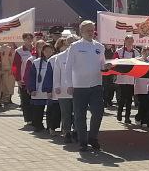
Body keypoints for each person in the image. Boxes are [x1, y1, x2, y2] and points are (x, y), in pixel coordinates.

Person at [64, 20, 106, 152]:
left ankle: (92, 138)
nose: (90, 32)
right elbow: (68, 67)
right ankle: (83, 142)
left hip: (96, 85)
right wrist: (69, 84)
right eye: (87, 29)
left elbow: (102, 65)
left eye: (92, 29)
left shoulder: (100, 47)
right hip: (79, 86)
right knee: (79, 115)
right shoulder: (75, 46)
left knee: (98, 112)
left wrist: (107, 67)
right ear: (81, 31)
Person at [49, 33, 75, 143]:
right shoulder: (60, 57)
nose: (71, 44)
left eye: (73, 42)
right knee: (66, 112)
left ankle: (77, 131)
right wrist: (57, 87)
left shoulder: (80, 56)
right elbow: (56, 74)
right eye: (69, 42)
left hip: (78, 89)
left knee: (78, 112)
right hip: (64, 90)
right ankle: (67, 132)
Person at [23, 42, 55, 130]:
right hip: (39, 90)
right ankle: (38, 125)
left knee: (51, 110)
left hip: (52, 90)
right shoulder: (36, 62)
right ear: (43, 52)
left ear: (53, 51)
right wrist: (31, 88)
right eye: (46, 51)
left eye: (50, 51)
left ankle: (50, 127)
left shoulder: (55, 61)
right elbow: (31, 77)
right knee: (38, 109)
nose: (48, 53)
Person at [113, 35, 139, 124]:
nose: (129, 43)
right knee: (122, 98)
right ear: (125, 41)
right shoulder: (119, 51)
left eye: (131, 41)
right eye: (128, 41)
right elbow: (114, 62)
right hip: (121, 79)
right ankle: (119, 112)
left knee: (129, 99)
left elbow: (139, 64)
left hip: (131, 80)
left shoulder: (136, 52)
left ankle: (127, 117)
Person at [13, 33, 36, 124]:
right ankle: (28, 119)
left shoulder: (36, 49)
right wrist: (18, 79)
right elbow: (16, 66)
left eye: (31, 38)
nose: (29, 39)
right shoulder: (19, 51)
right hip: (23, 79)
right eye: (27, 38)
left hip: (34, 79)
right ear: (23, 39)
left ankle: (35, 117)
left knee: (34, 99)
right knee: (25, 100)